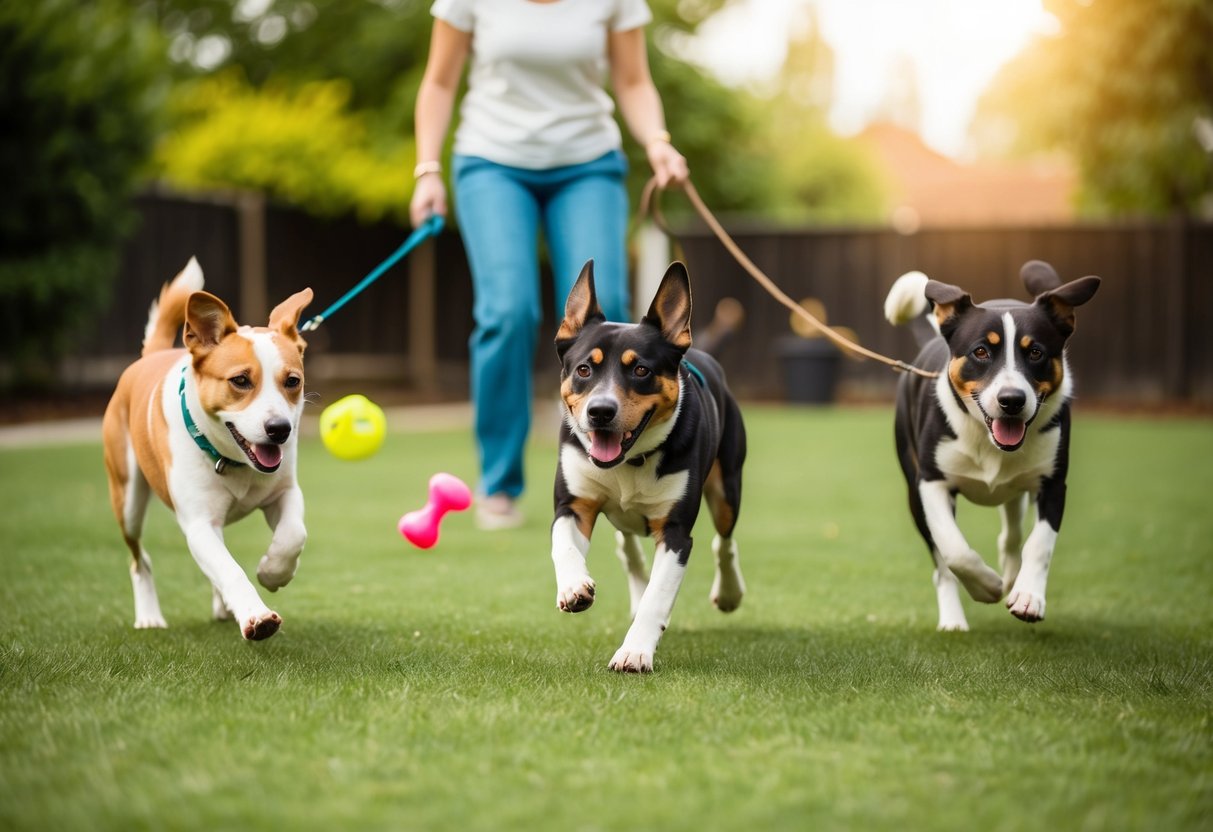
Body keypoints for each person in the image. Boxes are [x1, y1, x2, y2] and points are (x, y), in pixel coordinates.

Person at [410, 0, 690, 530]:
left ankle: (620, 469)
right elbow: (440, 82)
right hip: (491, 161)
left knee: (611, 324)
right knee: (508, 312)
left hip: (587, 163)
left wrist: (658, 143)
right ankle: (500, 483)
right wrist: (427, 168)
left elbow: (632, 80)